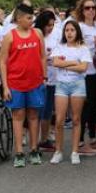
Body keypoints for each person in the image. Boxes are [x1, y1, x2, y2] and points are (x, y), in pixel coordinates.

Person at [0, 3, 46, 168]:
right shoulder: (9, 36)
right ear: (19, 19)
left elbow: (42, 57)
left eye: (32, 17)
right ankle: (19, 152)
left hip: (35, 83)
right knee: (18, 117)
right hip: (16, 84)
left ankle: (34, 149)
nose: (31, 20)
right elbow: (3, 62)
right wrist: (5, 86)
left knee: (34, 116)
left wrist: (44, 77)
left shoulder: (37, 33)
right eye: (28, 18)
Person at [49, 20, 91, 165]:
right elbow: (55, 63)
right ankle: (58, 151)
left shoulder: (83, 48)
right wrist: (74, 63)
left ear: (77, 31)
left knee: (76, 119)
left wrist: (65, 65)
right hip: (61, 85)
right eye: (67, 30)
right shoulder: (59, 47)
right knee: (59, 120)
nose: (69, 33)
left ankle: (74, 151)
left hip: (78, 85)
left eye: (72, 30)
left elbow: (83, 68)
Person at [73, 0, 96, 155]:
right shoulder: (77, 26)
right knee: (84, 107)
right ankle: (79, 143)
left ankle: (93, 139)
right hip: (83, 72)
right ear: (82, 10)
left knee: (94, 105)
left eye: (93, 7)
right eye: (87, 8)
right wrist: (92, 44)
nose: (91, 10)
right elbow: (73, 47)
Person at [35, 10, 57, 152]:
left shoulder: (55, 37)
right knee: (37, 110)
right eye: (48, 25)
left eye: (53, 25)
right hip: (38, 78)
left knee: (48, 110)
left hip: (52, 77)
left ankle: (44, 139)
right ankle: (34, 140)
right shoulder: (36, 35)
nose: (50, 28)